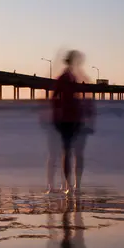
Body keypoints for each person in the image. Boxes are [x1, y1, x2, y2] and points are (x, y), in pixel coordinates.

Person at [49, 50, 95, 193]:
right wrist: (61, 111)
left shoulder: (75, 77)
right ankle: (69, 185)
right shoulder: (64, 78)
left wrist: (87, 113)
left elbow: (84, 99)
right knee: (69, 152)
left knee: (76, 152)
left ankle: (76, 185)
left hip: (76, 119)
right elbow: (54, 98)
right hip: (67, 120)